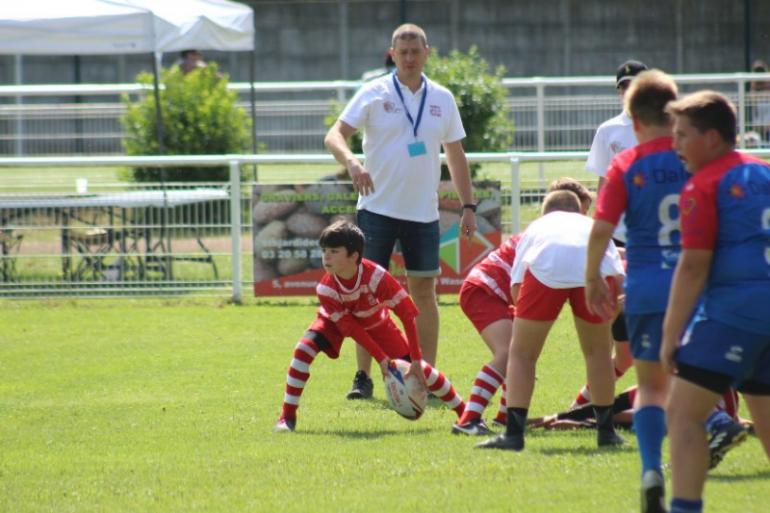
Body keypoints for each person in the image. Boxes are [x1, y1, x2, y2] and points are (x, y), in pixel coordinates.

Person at [324, 23, 476, 401]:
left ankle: (426, 377)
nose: (408, 58)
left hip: (422, 213)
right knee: (364, 296)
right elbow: (334, 135)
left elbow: (455, 155)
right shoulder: (373, 92)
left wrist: (468, 205)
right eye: (402, 52)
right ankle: (364, 377)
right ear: (392, 53)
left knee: (424, 294)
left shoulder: (442, 98)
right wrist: (352, 163)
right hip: (376, 210)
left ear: (427, 52)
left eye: (415, 52)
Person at [583, 69, 688, 513]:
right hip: (695, 285)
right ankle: (687, 483)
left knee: (650, 386)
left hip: (644, 285)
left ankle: (650, 468)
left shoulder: (626, 164)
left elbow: (601, 229)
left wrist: (592, 277)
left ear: (634, 119)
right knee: (696, 385)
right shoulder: (696, 156)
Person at [661, 91, 770, 513]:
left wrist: (671, 336)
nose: (676, 146)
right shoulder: (765, 173)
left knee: (684, 416)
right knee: (764, 416)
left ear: (711, 138)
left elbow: (693, 267)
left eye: (683, 136)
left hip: (735, 314)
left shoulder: (703, 185)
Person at [274, 221, 465, 433]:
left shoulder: (377, 277)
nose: (326, 257)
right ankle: (287, 416)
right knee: (303, 350)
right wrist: (381, 359)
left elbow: (407, 314)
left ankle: (466, 414)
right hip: (333, 323)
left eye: (334, 251)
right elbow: (351, 328)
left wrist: (417, 359)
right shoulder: (325, 289)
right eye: (324, 251)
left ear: (354, 256)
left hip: (376, 322)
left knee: (420, 371)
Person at [476, 190, 626, 451]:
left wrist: (531, 317)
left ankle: (513, 433)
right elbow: (617, 274)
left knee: (522, 353)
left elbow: (517, 287)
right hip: (595, 267)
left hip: (547, 265)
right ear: (580, 211)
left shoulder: (537, 227)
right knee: (599, 353)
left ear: (545, 212)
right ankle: (606, 431)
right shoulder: (589, 224)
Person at [453, 178, 593, 436]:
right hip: (484, 290)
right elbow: (521, 282)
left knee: (520, 355)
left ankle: (506, 417)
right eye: (582, 212)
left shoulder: (548, 235)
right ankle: (468, 420)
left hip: (493, 291)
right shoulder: (547, 236)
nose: (584, 219)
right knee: (509, 354)